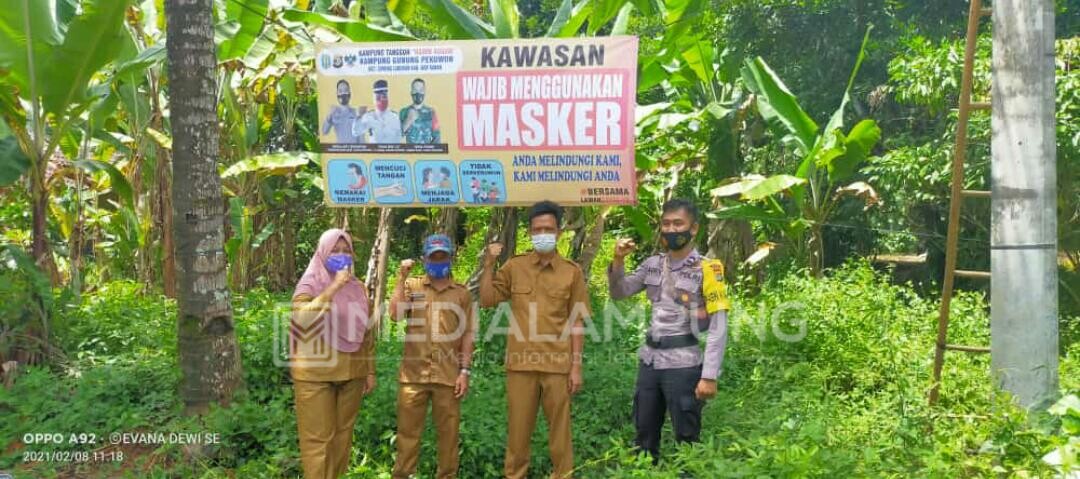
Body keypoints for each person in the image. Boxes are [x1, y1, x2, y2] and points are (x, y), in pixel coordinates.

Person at [606, 199, 730, 463]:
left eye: (678, 224)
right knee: (644, 433)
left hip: (683, 363)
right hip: (650, 361)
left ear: (693, 228)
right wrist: (618, 260)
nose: (671, 230)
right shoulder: (652, 264)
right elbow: (619, 292)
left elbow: (718, 325)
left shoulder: (708, 269)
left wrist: (709, 375)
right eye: (666, 224)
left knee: (687, 436)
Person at [479, 200, 590, 479]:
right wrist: (489, 265)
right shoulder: (515, 267)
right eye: (538, 228)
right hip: (521, 366)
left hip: (557, 365)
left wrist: (576, 366)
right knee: (517, 435)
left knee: (560, 437)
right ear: (529, 232)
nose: (543, 233)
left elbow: (577, 322)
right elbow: (488, 299)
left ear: (559, 233)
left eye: (549, 229)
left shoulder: (571, 272)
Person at [290, 228, 378, 478]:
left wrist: (370, 370)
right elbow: (301, 318)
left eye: (346, 250)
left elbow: (367, 331)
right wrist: (334, 287)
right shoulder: (311, 283)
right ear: (322, 253)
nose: (341, 255)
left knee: (342, 437)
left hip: (353, 371)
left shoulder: (358, 288)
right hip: (315, 373)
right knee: (317, 441)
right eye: (335, 251)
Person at [388, 234, 475, 479]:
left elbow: (468, 334)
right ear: (424, 258)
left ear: (450, 257)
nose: (438, 261)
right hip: (413, 376)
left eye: (442, 256)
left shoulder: (461, 293)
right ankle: (402, 475)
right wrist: (401, 277)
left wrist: (464, 371)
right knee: (407, 435)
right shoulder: (413, 286)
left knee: (448, 436)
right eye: (433, 257)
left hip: (448, 377)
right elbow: (395, 314)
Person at [355, 79, 402, 143]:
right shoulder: (369, 116)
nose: (381, 100)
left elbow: (399, 139)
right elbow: (356, 132)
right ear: (374, 99)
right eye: (378, 97)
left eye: (384, 96)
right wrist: (360, 116)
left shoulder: (395, 117)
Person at [400, 78, 441, 144]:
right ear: (411, 92)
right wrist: (408, 120)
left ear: (424, 92)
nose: (418, 93)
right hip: (410, 152)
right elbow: (396, 137)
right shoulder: (404, 111)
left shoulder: (431, 112)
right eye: (415, 90)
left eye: (421, 90)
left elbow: (437, 137)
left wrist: (431, 152)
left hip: (427, 152)